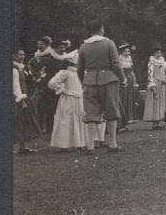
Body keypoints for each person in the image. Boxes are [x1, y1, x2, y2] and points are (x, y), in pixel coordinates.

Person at [77, 20, 124, 152]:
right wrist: (122, 79)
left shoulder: (83, 46)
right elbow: (116, 64)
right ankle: (113, 144)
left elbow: (79, 68)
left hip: (89, 81)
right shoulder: (109, 43)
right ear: (101, 29)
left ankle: (90, 146)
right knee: (111, 111)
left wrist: (83, 81)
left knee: (91, 113)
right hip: (109, 80)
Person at [48, 54, 86, 151]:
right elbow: (52, 83)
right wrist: (62, 89)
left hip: (79, 99)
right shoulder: (65, 73)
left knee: (79, 119)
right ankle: (64, 144)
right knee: (66, 120)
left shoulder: (82, 73)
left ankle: (79, 143)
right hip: (68, 99)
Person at [13, 50, 37, 154]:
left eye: (23, 54)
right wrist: (21, 99)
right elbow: (15, 86)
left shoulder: (23, 68)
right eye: (19, 54)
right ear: (14, 56)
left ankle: (23, 147)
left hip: (24, 96)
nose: (22, 56)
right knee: (17, 121)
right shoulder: (14, 69)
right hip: (17, 98)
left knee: (23, 122)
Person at [143, 45, 166, 129]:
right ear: (153, 53)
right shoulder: (151, 62)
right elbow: (150, 75)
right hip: (155, 84)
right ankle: (155, 123)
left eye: (160, 52)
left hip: (162, 84)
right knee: (155, 102)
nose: (158, 54)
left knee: (161, 103)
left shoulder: (163, 62)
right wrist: (152, 86)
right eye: (156, 52)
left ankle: (158, 121)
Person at [117, 43, 138, 133]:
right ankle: (122, 122)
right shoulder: (119, 60)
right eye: (125, 51)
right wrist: (123, 80)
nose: (127, 53)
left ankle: (128, 120)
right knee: (123, 99)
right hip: (123, 80)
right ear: (121, 52)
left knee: (130, 99)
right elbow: (119, 71)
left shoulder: (129, 59)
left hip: (130, 80)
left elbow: (132, 71)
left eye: (128, 51)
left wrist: (135, 81)